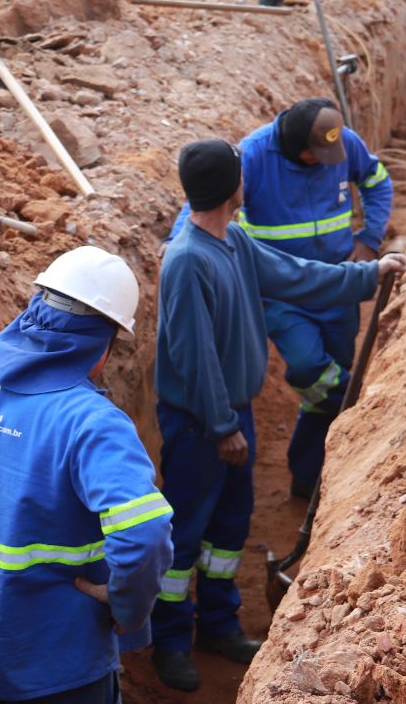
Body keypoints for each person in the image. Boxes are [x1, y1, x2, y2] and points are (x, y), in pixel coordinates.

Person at [150, 138, 406, 691]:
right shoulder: (187, 259)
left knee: (229, 527)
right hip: (200, 424)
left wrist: (369, 275)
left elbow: (296, 273)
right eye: (242, 176)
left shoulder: (235, 241)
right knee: (186, 533)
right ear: (232, 188)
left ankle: (217, 625)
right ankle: (169, 638)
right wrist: (221, 427)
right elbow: (192, 356)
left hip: (230, 415)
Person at [0, 246, 174, 704]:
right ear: (103, 347)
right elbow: (144, 532)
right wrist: (128, 606)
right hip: (61, 666)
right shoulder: (92, 423)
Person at [167, 98, 394, 498]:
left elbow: (377, 182)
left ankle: (310, 477)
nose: (325, 162)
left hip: (333, 284)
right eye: (315, 155)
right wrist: (174, 244)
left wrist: (370, 244)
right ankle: (348, 443)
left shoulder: (344, 142)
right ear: (291, 145)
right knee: (313, 369)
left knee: (329, 382)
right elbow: (202, 206)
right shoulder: (252, 155)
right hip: (281, 295)